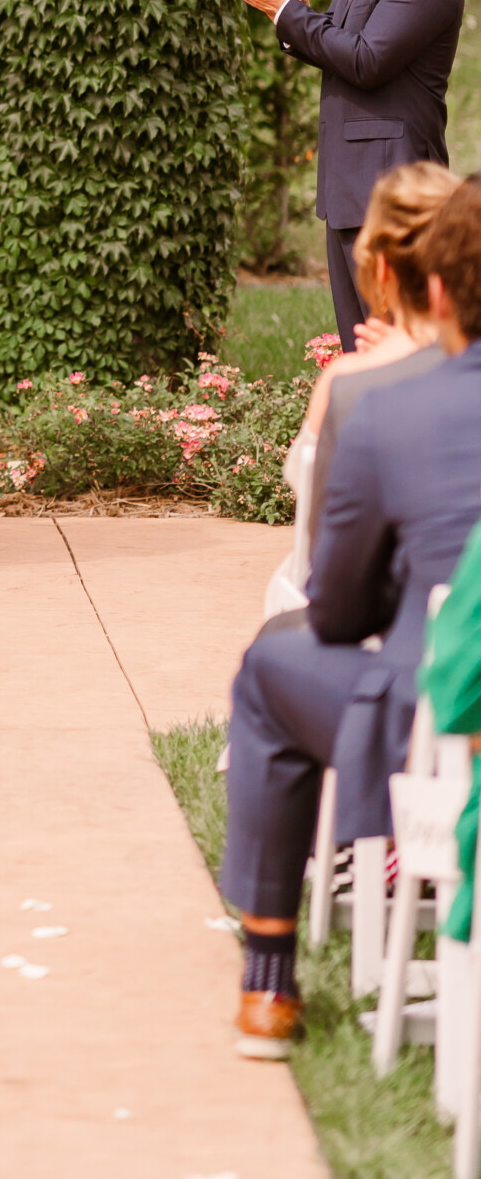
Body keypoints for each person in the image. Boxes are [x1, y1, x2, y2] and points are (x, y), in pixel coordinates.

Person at [218, 175, 481, 1059]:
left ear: (434, 290)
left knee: (271, 668)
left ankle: (267, 979)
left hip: (440, 723)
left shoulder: (390, 413)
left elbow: (334, 611)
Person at [229, 0, 463, 351]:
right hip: (353, 185)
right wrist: (297, 12)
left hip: (389, 188)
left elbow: (366, 59)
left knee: (398, 350)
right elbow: (340, 38)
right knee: (365, 347)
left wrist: (288, 14)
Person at [294, 161, 457, 535]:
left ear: (380, 269)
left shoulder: (348, 384)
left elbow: (315, 495)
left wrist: (400, 360)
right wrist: (421, 351)